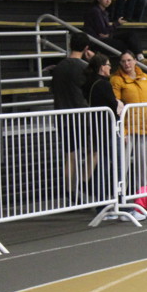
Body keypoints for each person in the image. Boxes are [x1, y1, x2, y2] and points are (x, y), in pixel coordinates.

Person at [111, 52, 147, 200]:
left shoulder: (146, 77)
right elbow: (116, 105)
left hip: (145, 126)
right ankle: (120, 197)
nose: (127, 64)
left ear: (135, 61)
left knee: (143, 165)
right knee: (122, 165)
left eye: (129, 60)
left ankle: (142, 197)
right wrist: (123, 130)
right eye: (123, 61)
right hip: (127, 128)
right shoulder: (116, 80)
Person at [51, 33, 92, 200]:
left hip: (62, 115)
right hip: (82, 116)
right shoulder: (84, 67)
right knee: (93, 149)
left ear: (70, 45)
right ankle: (84, 182)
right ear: (86, 48)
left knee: (70, 154)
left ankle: (70, 191)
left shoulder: (59, 67)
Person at [83, 53, 124, 203]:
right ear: (102, 67)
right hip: (108, 128)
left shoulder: (89, 83)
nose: (110, 68)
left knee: (103, 164)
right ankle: (120, 199)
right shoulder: (103, 84)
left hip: (98, 129)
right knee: (118, 164)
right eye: (108, 65)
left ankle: (101, 200)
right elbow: (113, 105)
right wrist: (119, 104)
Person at [83, 0, 147, 69]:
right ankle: (136, 62)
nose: (108, 1)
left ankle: (141, 58)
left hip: (105, 37)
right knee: (127, 45)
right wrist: (116, 24)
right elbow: (103, 31)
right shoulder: (95, 11)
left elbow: (105, 31)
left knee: (131, 35)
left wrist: (108, 32)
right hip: (97, 42)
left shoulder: (103, 11)